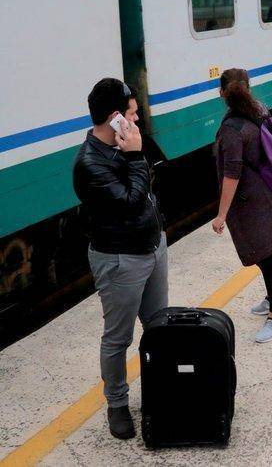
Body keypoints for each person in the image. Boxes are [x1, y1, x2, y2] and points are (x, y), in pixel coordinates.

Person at [73, 78, 168, 440]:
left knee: (158, 326)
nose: (137, 121)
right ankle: (117, 404)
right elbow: (129, 202)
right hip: (119, 259)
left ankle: (160, 388)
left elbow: (147, 190)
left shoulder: (125, 144)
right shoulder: (89, 164)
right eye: (132, 114)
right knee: (118, 339)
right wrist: (134, 156)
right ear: (115, 118)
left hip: (151, 246)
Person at [212, 68, 272, 342]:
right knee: (268, 252)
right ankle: (271, 299)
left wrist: (221, 215)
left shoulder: (231, 129)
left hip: (254, 202)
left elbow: (232, 173)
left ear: (221, 93)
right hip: (269, 193)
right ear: (248, 88)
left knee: (268, 255)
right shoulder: (258, 110)